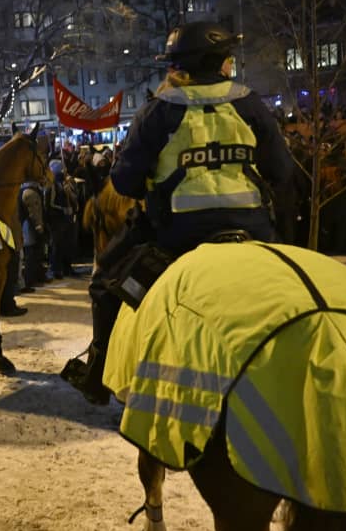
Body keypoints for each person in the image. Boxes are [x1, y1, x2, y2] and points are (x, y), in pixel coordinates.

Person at [63, 21, 293, 404]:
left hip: (175, 236)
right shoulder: (251, 104)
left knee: (104, 282)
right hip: (254, 231)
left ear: (183, 65)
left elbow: (124, 183)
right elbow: (282, 172)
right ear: (218, 62)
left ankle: (97, 374)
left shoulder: (160, 110)